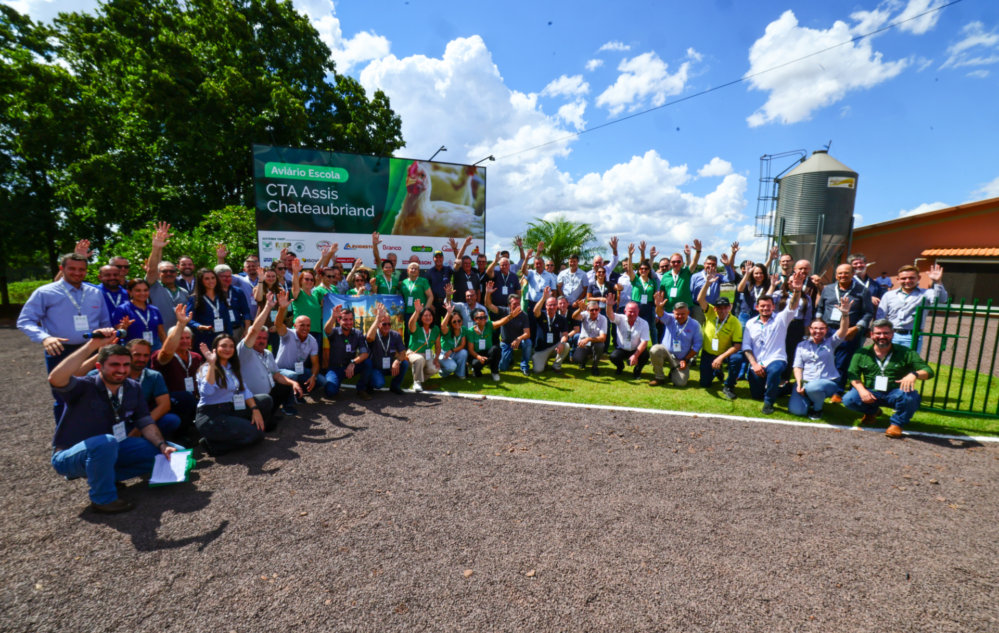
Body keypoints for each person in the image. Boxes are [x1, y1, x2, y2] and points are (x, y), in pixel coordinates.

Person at [48, 331, 181, 514]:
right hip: (70, 455)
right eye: (114, 364)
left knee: (176, 453)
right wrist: (93, 345)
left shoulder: (133, 387)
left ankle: (103, 475)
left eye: (126, 364)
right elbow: (55, 378)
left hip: (113, 447)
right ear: (99, 366)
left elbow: (145, 421)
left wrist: (162, 445)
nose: (121, 369)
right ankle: (102, 499)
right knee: (106, 442)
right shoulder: (84, 386)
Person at [18, 252, 112, 421]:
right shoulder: (45, 292)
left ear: (86, 271)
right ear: (62, 269)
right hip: (60, 350)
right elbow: (25, 320)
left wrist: (106, 335)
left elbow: (104, 322)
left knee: (96, 394)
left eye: (81, 269)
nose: (77, 273)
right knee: (64, 398)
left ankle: (94, 432)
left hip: (91, 350)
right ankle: (64, 436)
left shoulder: (95, 292)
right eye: (72, 268)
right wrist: (45, 337)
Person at [843, 319, 935, 438]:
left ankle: (897, 424)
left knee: (911, 397)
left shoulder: (906, 352)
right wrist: (862, 390)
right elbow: (853, 375)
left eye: (886, 333)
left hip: (896, 393)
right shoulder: (861, 353)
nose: (882, 336)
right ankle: (872, 412)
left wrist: (914, 374)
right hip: (872, 392)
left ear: (892, 334)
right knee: (849, 399)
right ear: (872, 335)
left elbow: (928, 371)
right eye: (878, 333)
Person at [81, 338, 181, 440]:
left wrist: (140, 428)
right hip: (109, 423)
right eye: (137, 355)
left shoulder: (154, 376)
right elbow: (73, 379)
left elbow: (164, 405)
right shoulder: (102, 374)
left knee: (172, 420)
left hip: (138, 421)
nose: (142, 359)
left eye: (146, 355)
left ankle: (145, 440)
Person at [734, 272, 803, 414]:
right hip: (757, 362)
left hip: (776, 359)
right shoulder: (750, 323)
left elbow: (792, 307)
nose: (765, 308)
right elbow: (746, 346)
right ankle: (784, 388)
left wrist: (797, 291)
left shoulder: (781, 318)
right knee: (756, 395)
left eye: (768, 306)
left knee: (775, 370)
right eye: (762, 306)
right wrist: (754, 364)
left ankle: (769, 403)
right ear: (757, 307)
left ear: (773, 307)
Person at [195, 335, 273, 456]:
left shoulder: (231, 367)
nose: (228, 349)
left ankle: (251, 429)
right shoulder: (206, 368)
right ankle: (213, 445)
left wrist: (255, 409)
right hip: (211, 417)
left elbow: (244, 390)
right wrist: (211, 363)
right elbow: (207, 392)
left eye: (231, 346)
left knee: (266, 400)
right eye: (223, 346)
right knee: (258, 436)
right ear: (215, 348)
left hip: (229, 409)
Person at [237, 290, 301, 423]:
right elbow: (253, 330)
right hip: (249, 400)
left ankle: (268, 414)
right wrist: (267, 307)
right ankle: (259, 418)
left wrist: (294, 383)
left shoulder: (267, 353)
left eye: (264, 338)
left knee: (285, 386)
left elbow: (277, 375)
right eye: (258, 338)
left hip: (266, 396)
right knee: (270, 426)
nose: (261, 341)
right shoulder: (245, 351)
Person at [789, 294, 854, 420]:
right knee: (797, 411)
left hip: (827, 382)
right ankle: (812, 398)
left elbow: (843, 330)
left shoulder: (831, 342)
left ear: (826, 330)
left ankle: (817, 409)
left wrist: (845, 314)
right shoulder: (801, 345)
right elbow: (797, 367)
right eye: (815, 328)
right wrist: (799, 383)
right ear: (810, 329)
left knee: (814, 387)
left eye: (821, 329)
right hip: (806, 381)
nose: (818, 331)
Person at [816, 264, 876, 399]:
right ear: (836, 275)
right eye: (840, 273)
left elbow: (868, 313)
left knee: (843, 362)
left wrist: (857, 328)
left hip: (849, 330)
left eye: (846, 273)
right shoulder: (828, 289)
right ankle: (821, 386)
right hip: (828, 329)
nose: (843, 275)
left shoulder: (862, 291)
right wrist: (818, 323)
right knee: (824, 358)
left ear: (853, 274)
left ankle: (837, 391)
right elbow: (820, 308)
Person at [150, 305, 202, 438]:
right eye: (180, 337)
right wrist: (180, 324)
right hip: (171, 401)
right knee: (185, 398)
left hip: (193, 399)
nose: (184, 341)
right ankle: (180, 435)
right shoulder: (162, 355)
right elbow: (166, 352)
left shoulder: (196, 357)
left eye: (187, 338)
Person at [877, 264, 947, 351]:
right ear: (898, 280)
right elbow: (880, 316)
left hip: (912, 336)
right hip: (890, 335)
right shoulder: (889, 295)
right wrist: (880, 333)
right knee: (887, 359)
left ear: (919, 278)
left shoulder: (926, 293)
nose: (907, 281)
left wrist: (937, 282)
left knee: (910, 359)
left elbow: (941, 299)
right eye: (903, 278)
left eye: (911, 278)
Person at [274, 295, 328, 408]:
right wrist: (282, 309)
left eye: (308, 325)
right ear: (295, 325)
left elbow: (315, 364)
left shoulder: (312, 340)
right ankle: (287, 404)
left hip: (297, 371)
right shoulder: (287, 334)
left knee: (321, 380)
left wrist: (313, 376)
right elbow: (278, 324)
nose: (305, 328)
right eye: (302, 325)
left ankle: (298, 392)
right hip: (281, 370)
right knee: (292, 375)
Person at [695, 276, 742, 396]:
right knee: (705, 384)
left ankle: (729, 385)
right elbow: (700, 299)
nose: (723, 310)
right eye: (720, 308)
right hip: (708, 353)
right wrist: (707, 284)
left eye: (725, 307)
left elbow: (737, 346)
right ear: (715, 308)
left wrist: (720, 358)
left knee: (737, 358)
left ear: (730, 307)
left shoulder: (735, 321)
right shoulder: (710, 312)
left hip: (725, 354)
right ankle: (716, 371)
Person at [144, 223, 190, 330]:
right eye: (164, 271)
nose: (169, 273)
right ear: (158, 274)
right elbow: (152, 269)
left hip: (181, 335)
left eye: (172, 271)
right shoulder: (153, 286)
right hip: (159, 334)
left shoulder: (184, 292)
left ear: (176, 273)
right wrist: (156, 248)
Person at [648, 297, 702, 387]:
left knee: (680, 383)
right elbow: (660, 314)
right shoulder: (670, 318)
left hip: (681, 358)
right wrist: (659, 307)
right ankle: (659, 377)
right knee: (655, 349)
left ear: (688, 312)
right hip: (666, 351)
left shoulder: (695, 325)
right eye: (677, 314)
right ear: (673, 313)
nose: (680, 316)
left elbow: (697, 345)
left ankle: (673, 371)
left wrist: (686, 360)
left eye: (683, 314)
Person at [323, 306, 373, 400]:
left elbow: (364, 354)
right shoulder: (334, 332)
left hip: (351, 367)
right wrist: (333, 317)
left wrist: (353, 362)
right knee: (330, 392)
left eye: (350, 319)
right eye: (345, 320)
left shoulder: (358, 333)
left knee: (368, 363)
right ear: (339, 320)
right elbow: (327, 329)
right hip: (335, 369)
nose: (349, 322)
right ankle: (335, 386)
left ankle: (361, 389)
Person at [484, 287, 532, 376]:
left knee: (528, 342)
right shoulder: (503, 311)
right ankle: (510, 357)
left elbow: (527, 333)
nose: (517, 306)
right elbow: (488, 305)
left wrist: (518, 339)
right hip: (506, 343)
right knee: (502, 368)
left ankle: (524, 367)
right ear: (509, 305)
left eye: (518, 303)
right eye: (514, 304)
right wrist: (488, 293)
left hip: (518, 342)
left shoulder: (524, 315)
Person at [689, 242, 738, 325]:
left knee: (711, 329)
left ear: (716, 265)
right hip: (698, 308)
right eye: (708, 264)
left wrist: (727, 265)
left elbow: (731, 279)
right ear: (704, 264)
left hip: (713, 308)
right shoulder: (695, 276)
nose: (711, 266)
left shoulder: (718, 276)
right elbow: (691, 292)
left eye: (713, 264)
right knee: (697, 329)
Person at [363, 305, 409, 394]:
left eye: (389, 324)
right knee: (379, 384)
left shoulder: (395, 335)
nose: (387, 326)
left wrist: (397, 361)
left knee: (404, 363)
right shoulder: (373, 334)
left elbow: (402, 353)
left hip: (390, 367)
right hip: (375, 368)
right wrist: (378, 318)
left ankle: (395, 386)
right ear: (378, 324)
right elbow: (369, 338)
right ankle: (370, 383)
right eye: (384, 324)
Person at [111, 279, 167, 351]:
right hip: (133, 349)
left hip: (155, 347)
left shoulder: (154, 309)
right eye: (138, 290)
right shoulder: (122, 309)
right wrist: (124, 327)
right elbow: (121, 336)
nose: (142, 293)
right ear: (129, 292)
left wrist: (166, 349)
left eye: (145, 290)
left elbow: (161, 333)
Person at [466, 306, 520, 380]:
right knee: (476, 365)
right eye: (480, 318)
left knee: (496, 348)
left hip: (487, 352)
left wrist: (510, 316)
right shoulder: (470, 331)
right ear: (475, 319)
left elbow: (500, 322)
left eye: (485, 317)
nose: (483, 319)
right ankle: (476, 371)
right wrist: (479, 357)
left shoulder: (489, 325)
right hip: (476, 354)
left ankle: (494, 372)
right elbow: (470, 350)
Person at [185, 268, 233, 350]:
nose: (211, 281)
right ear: (201, 281)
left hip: (222, 337)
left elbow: (227, 319)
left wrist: (230, 337)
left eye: (213, 278)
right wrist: (199, 326)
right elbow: (188, 319)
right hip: (204, 338)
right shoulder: (194, 298)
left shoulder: (221, 296)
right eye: (207, 279)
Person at [605, 296, 651, 378]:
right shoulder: (620, 318)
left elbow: (644, 342)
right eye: (630, 312)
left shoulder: (644, 323)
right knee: (613, 356)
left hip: (636, 349)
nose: (632, 314)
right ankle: (620, 367)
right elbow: (610, 315)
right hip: (622, 349)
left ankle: (637, 370)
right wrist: (609, 305)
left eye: (635, 312)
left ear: (638, 311)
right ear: (625, 311)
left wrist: (635, 355)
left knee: (645, 355)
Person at [531, 289, 573, 374]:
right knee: (537, 371)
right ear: (546, 306)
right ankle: (544, 361)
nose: (552, 307)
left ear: (557, 306)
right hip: (541, 349)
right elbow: (535, 311)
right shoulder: (541, 315)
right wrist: (543, 298)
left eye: (554, 305)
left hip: (554, 346)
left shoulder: (561, 318)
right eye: (550, 305)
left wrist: (562, 343)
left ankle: (556, 366)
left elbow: (565, 335)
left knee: (566, 345)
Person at [289, 258, 325, 354]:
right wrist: (295, 272)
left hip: (316, 332)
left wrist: (323, 307)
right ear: (301, 281)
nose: (309, 281)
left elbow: (318, 316)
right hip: (301, 332)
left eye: (312, 279)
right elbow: (295, 287)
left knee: (314, 360)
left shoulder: (314, 297)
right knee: (300, 361)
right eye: (306, 279)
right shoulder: (298, 293)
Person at [406, 300, 442, 392]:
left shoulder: (435, 329)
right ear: (420, 317)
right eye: (425, 315)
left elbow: (438, 346)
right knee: (419, 359)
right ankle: (417, 382)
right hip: (413, 353)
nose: (428, 317)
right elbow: (410, 324)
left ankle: (419, 377)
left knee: (435, 368)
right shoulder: (416, 326)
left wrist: (436, 357)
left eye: (430, 315)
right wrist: (417, 311)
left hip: (428, 354)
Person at [658, 240, 701, 315]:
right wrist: (661, 308)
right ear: (670, 263)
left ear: (682, 262)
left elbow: (694, 262)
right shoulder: (665, 275)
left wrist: (698, 251)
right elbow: (662, 292)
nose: (676, 263)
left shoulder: (686, 272)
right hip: (669, 309)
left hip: (685, 310)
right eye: (673, 262)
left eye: (678, 261)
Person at [254, 266, 289, 355]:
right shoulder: (258, 288)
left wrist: (278, 325)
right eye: (268, 276)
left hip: (276, 326)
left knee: (276, 352)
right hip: (262, 325)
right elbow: (258, 298)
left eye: (273, 276)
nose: (271, 278)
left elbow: (284, 310)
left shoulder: (280, 290)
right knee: (260, 351)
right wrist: (260, 281)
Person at [624, 256, 660, 338]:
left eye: (646, 269)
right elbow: (630, 269)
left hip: (648, 306)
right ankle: (632, 343)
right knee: (633, 326)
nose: (643, 270)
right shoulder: (635, 279)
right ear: (639, 270)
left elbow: (655, 296)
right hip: (636, 305)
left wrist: (656, 310)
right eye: (641, 268)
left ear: (649, 270)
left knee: (650, 327)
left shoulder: (652, 281)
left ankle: (654, 345)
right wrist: (630, 254)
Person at [571, 300, 608, 375]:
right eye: (592, 310)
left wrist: (588, 339)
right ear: (587, 310)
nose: (594, 312)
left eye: (596, 309)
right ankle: (583, 361)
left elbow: (603, 338)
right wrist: (580, 309)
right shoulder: (584, 314)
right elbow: (574, 317)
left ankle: (595, 366)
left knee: (600, 345)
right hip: (583, 344)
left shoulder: (603, 319)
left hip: (595, 343)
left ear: (599, 309)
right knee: (576, 359)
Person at [400, 261, 433, 343]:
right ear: (408, 270)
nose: (413, 270)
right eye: (412, 268)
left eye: (416, 269)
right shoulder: (404, 282)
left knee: (420, 331)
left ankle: (421, 348)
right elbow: (401, 296)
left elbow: (430, 296)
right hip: (408, 312)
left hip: (420, 312)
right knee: (408, 332)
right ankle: (408, 348)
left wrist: (425, 310)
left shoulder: (423, 281)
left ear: (418, 272)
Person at [215, 264, 253, 335]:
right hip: (219, 331)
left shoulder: (238, 291)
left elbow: (246, 312)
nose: (228, 279)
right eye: (224, 276)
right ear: (217, 277)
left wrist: (246, 330)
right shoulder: (212, 292)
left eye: (229, 276)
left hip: (237, 330)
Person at [425, 249, 455, 330]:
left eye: (440, 257)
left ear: (443, 258)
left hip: (446, 303)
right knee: (435, 327)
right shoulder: (429, 272)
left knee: (448, 326)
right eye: (436, 257)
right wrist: (430, 304)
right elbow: (426, 290)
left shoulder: (448, 270)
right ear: (433, 259)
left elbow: (456, 268)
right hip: (434, 304)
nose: (438, 259)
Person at [737, 260, 770, 325]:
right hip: (746, 314)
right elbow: (740, 289)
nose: (759, 275)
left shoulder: (768, 286)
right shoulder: (748, 284)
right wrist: (747, 274)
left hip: (760, 315)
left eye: (761, 273)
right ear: (752, 274)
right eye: (756, 273)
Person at [439, 306, 469, 379]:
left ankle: (460, 374)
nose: (457, 323)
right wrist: (449, 313)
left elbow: (462, 345)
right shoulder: (447, 330)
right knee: (452, 367)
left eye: (459, 321)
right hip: (444, 353)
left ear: (462, 321)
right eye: (454, 322)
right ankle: (442, 372)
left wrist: (451, 350)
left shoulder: (463, 329)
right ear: (450, 322)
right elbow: (442, 327)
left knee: (464, 352)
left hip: (453, 352)